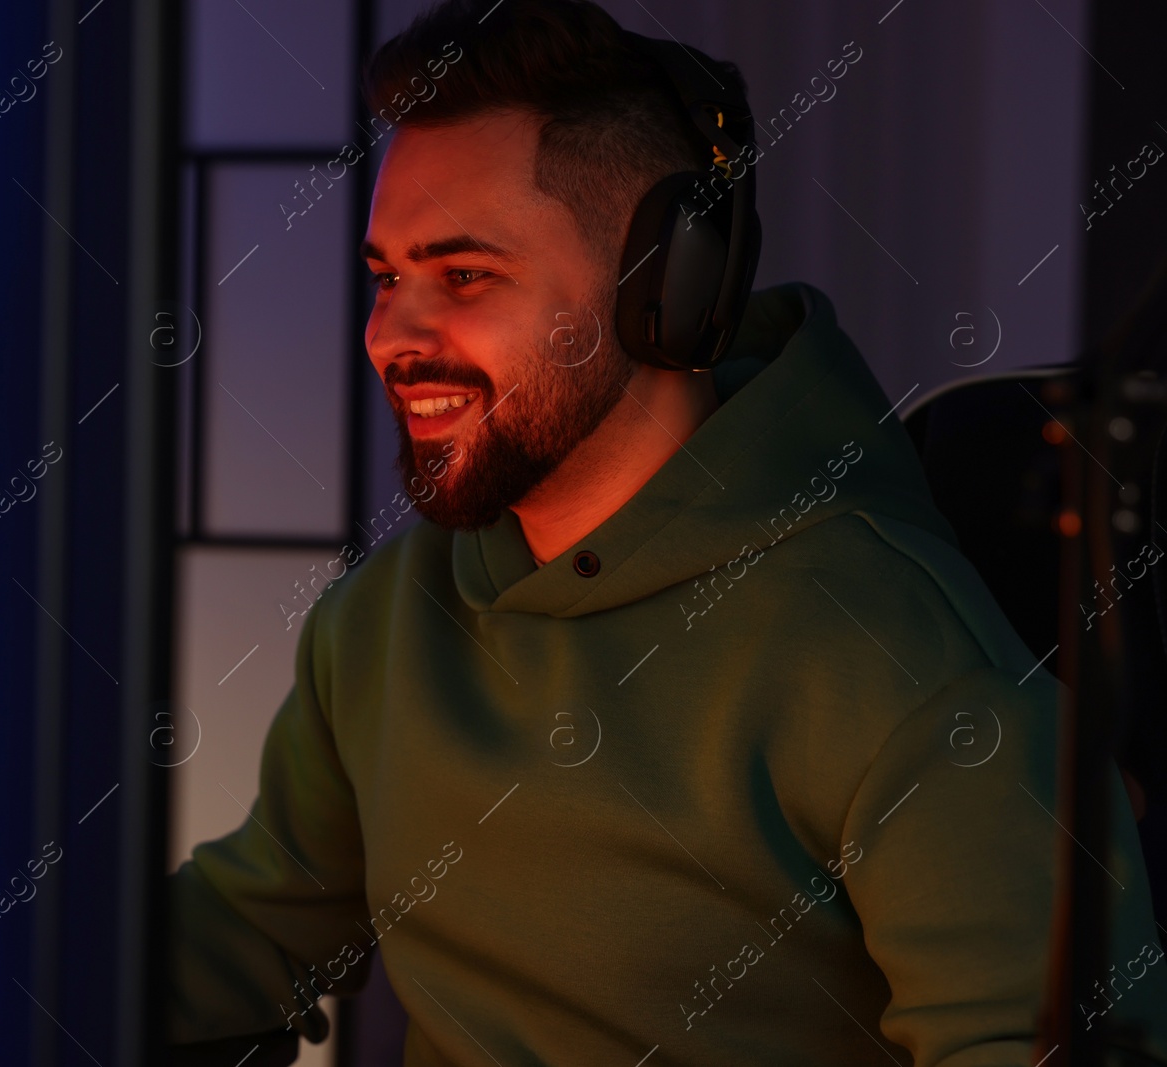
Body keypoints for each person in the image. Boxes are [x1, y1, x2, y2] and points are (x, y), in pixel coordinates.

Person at [167, 0, 1167, 1063]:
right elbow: (241, 937)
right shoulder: (384, 618)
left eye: (463, 276)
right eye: (386, 276)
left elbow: (1023, 1040)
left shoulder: (895, 655)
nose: (390, 338)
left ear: (665, 288)